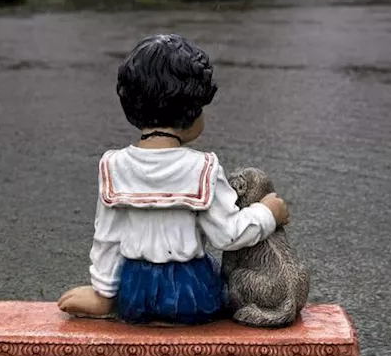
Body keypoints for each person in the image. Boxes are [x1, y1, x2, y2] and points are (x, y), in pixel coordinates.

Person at [57, 34, 289, 325]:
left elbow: (107, 238)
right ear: (192, 111)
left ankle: (119, 307)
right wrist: (268, 213)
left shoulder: (113, 166)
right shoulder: (203, 168)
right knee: (222, 281)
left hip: (134, 294)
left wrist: (103, 294)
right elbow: (227, 236)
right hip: (190, 297)